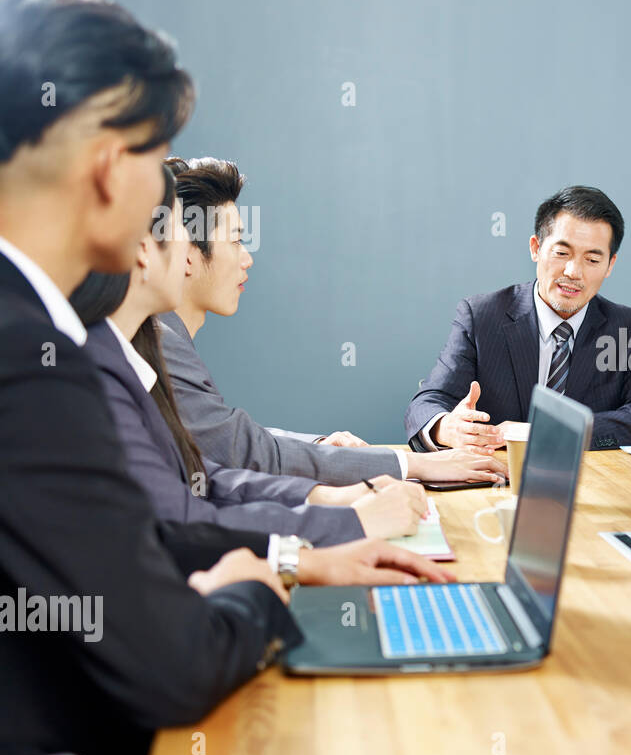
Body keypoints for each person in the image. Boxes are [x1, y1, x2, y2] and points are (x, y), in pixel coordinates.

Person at [0, 0, 450, 755]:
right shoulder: (30, 360)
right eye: (157, 158)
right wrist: (254, 592)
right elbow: (173, 666)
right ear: (107, 166)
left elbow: (119, 535)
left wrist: (285, 555)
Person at [68, 166, 428, 545]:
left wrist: (322, 497)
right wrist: (345, 522)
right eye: (178, 239)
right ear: (144, 250)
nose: (186, 257)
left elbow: (200, 474)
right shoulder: (113, 363)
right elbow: (188, 509)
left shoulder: (127, 350)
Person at [160, 156, 505, 486]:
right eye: (236, 241)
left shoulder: (167, 339)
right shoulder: (162, 346)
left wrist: (320, 443)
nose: (247, 258)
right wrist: (416, 464)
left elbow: (229, 437)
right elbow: (246, 452)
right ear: (188, 255)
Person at [404, 185, 631, 451]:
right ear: (536, 248)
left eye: (592, 260)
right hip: (493, 478)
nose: (573, 272)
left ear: (610, 265)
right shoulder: (482, 317)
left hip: (592, 482)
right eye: (561, 253)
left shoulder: (626, 329)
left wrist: (553, 432)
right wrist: (446, 427)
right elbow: (427, 402)